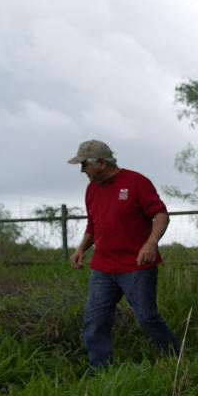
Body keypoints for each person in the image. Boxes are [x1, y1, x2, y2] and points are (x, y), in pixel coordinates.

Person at [67, 139, 180, 370]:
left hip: (137, 266)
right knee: (95, 321)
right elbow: (93, 225)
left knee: (148, 318)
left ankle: (176, 360)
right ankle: (98, 372)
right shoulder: (91, 190)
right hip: (103, 268)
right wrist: (81, 249)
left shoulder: (136, 182)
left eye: (84, 165)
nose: (81, 171)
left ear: (100, 162)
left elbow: (160, 214)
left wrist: (151, 243)